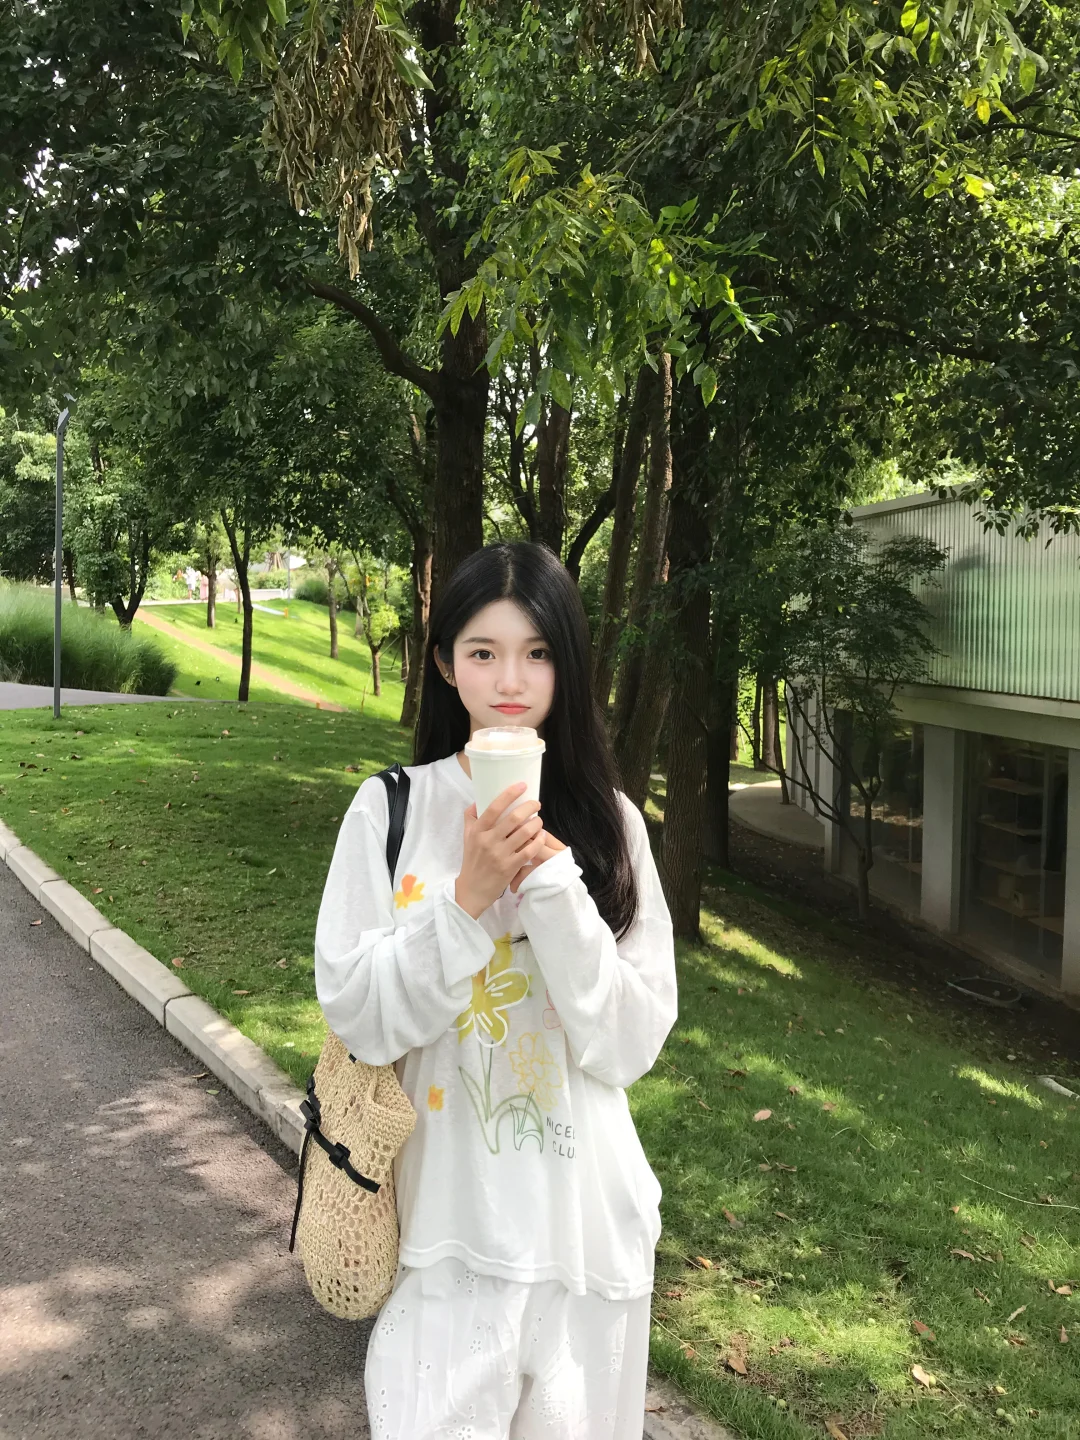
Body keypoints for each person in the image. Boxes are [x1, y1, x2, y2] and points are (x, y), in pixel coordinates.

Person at [313, 540, 678, 1440]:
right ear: (445, 663)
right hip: (446, 1232)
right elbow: (360, 1016)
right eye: (483, 651)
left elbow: (628, 1042)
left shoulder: (614, 825)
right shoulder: (391, 810)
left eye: (537, 652)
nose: (511, 680)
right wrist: (467, 900)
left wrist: (552, 887)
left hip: (584, 1238)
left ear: (569, 664)